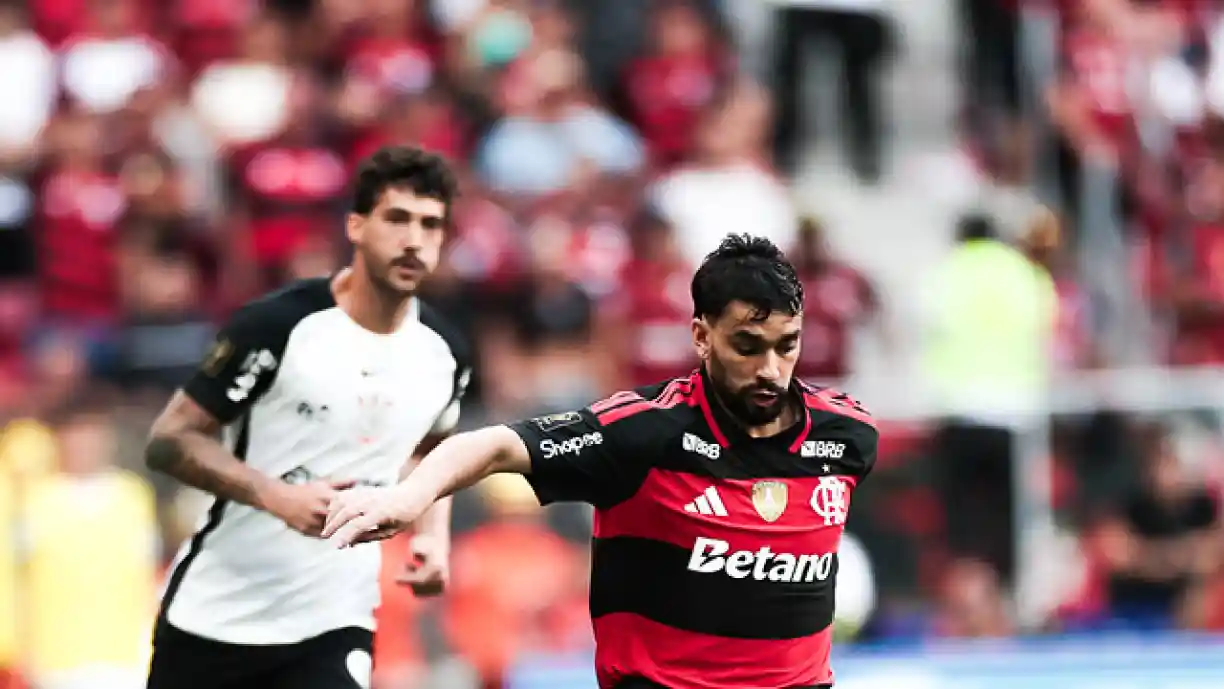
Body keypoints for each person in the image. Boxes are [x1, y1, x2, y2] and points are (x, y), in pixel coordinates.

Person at [325, 234, 878, 689]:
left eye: (788, 345)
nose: (771, 369)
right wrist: (410, 496)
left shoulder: (847, 434)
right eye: (748, 345)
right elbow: (491, 444)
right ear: (702, 337)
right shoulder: (641, 432)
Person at [143, 146, 472, 689]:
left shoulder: (444, 351)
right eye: (397, 219)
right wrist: (275, 496)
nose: (414, 240)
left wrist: (432, 535)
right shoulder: (279, 327)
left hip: (334, 620)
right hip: (216, 615)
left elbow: (432, 447)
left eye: (431, 225)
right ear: (356, 226)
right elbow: (169, 441)